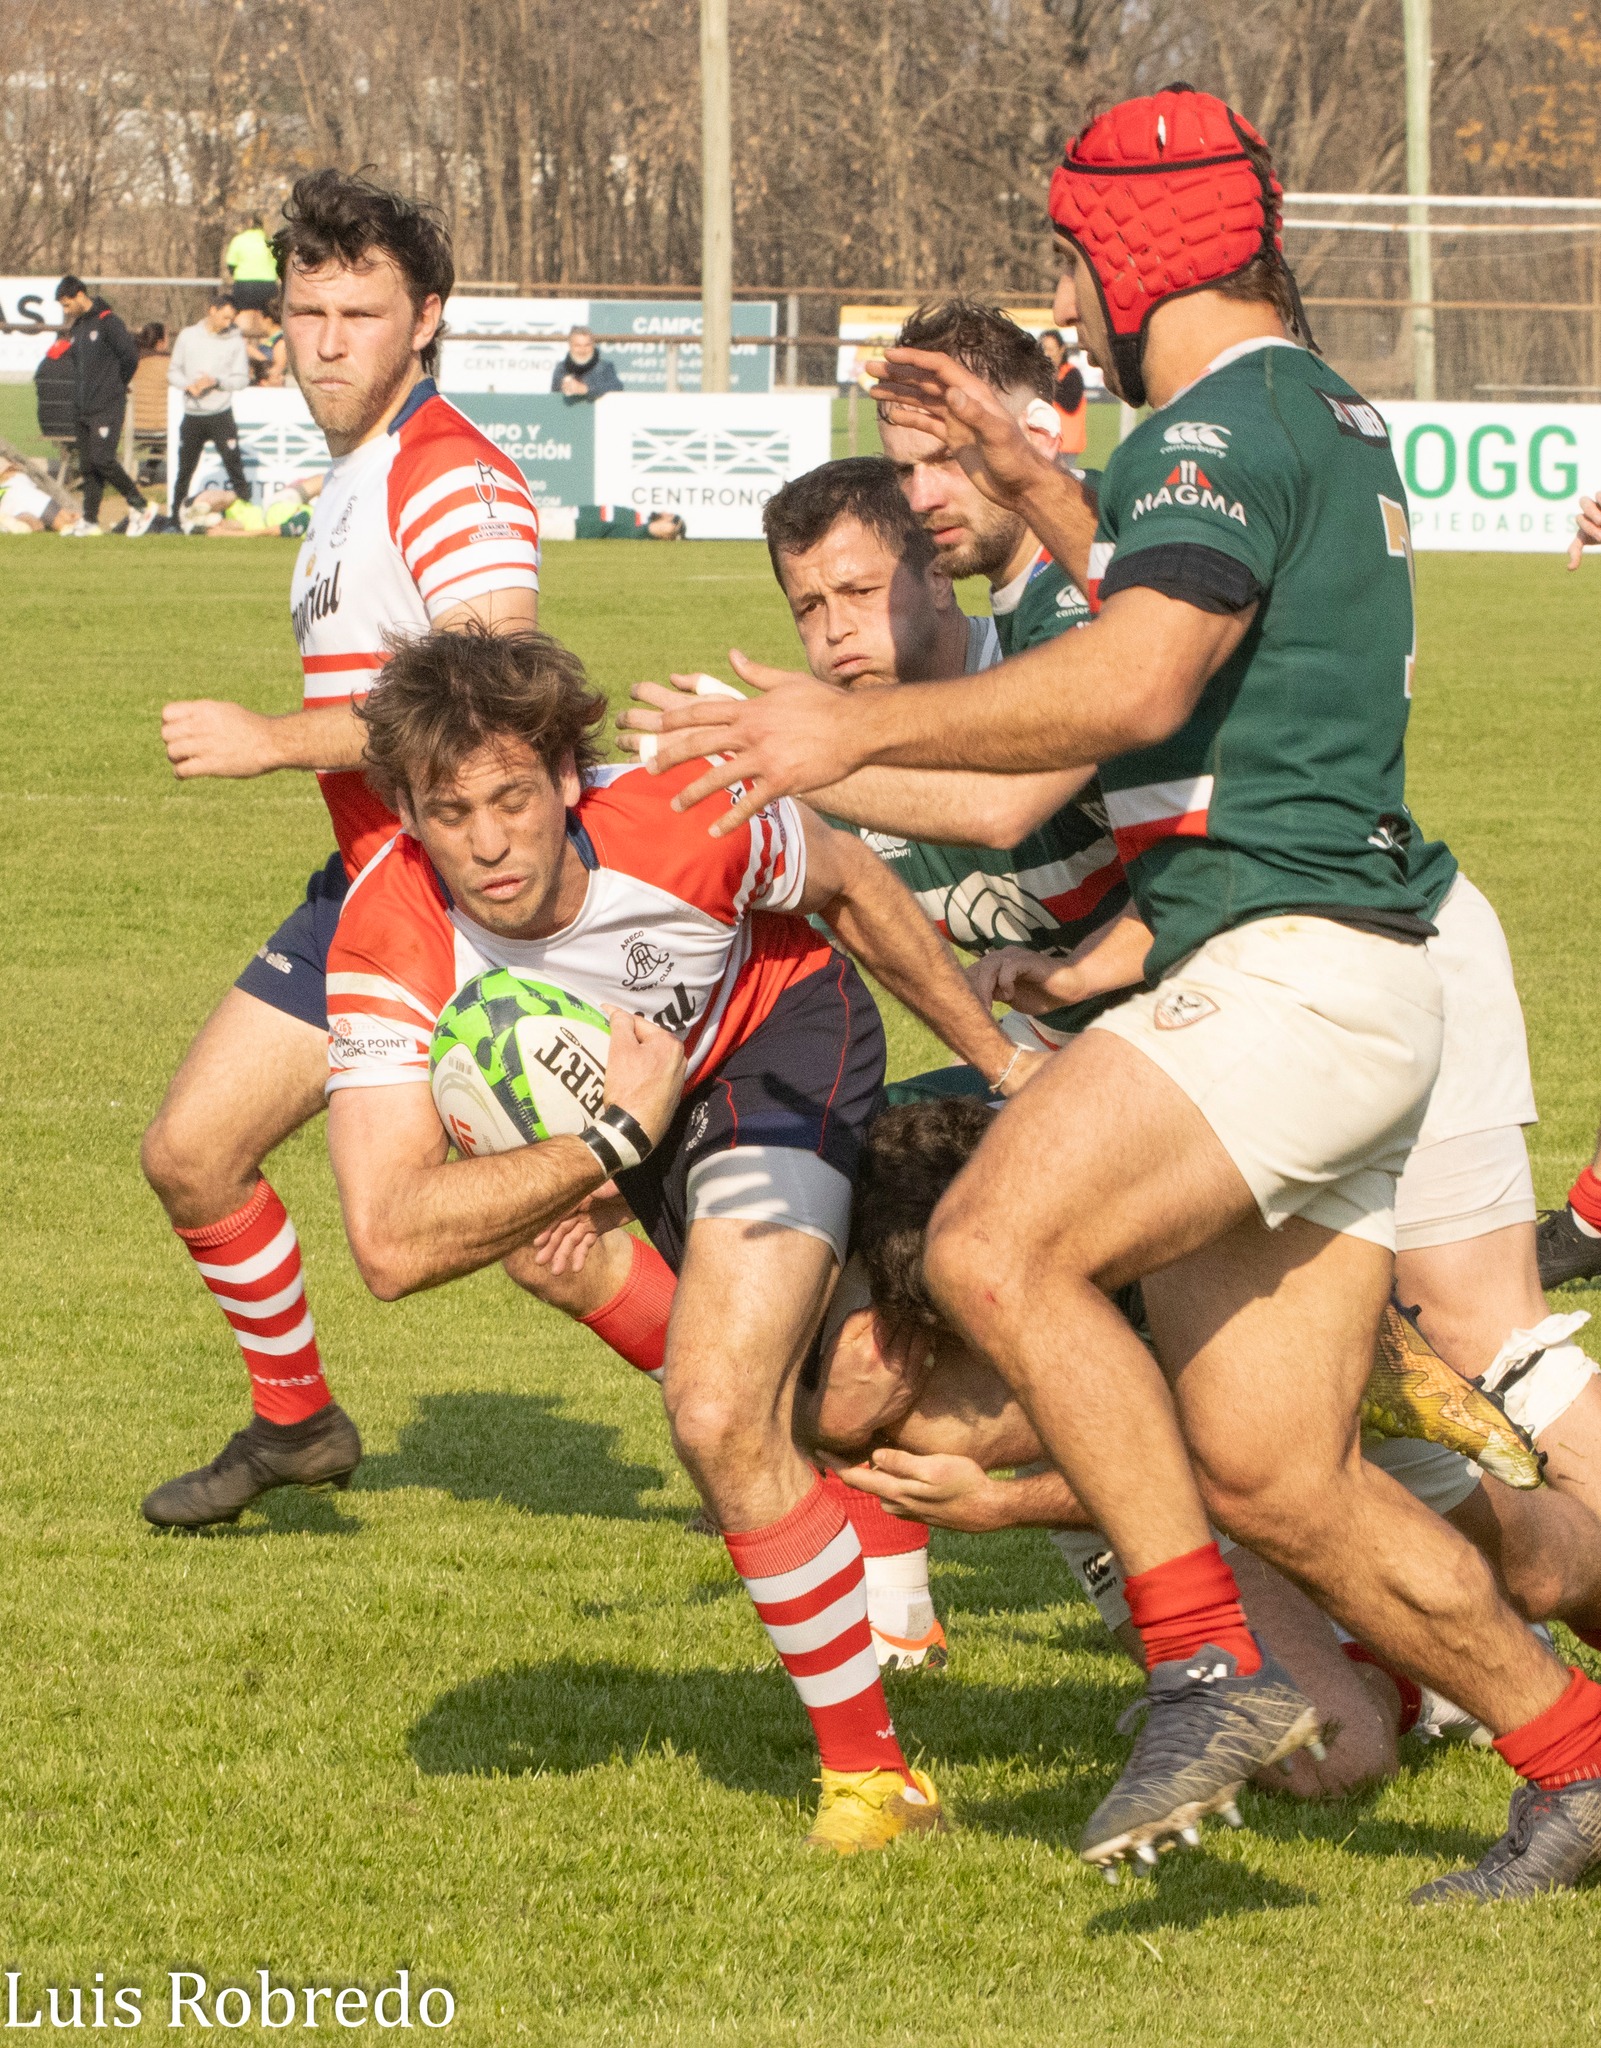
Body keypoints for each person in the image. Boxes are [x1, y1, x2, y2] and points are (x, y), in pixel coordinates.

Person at [633, 86, 1601, 1902]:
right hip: (1342, 977)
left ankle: (1203, 1664)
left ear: (1137, 251)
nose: (1068, 294)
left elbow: (1137, 680)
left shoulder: (1211, 426)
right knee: (1277, 1473)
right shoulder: (1303, 407)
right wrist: (1017, 487)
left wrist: (838, 731)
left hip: (1291, 969)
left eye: (1074, 255)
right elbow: (1133, 673)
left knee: (992, 1242)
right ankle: (1572, 1761)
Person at [320, 627, 1034, 1852]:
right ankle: (1067, 1409)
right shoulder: (384, 937)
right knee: (819, 1394)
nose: (488, 843)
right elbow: (388, 1238)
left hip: (775, 1042)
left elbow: (849, 883)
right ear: (408, 814)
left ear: (566, 776)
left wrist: (1006, 1065)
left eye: (512, 798)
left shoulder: (681, 813)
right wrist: (605, 1143)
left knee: (713, 1410)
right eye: (450, 813)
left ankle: (871, 1780)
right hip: (635, 1120)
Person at [139, 169, 541, 1531]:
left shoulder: (446, 473)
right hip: (370, 883)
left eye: (358, 314)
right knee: (194, 1152)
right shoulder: (358, 474)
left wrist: (272, 738)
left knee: (569, 1242)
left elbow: (496, 691)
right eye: (305, 313)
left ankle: (808, 1440)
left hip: (464, 898)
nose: (323, 343)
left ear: (424, 319)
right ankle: (298, 1423)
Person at [52, 276, 154, 536]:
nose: (66, 310)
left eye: (67, 304)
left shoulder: (109, 322)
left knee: (102, 459)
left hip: (107, 405)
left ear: (79, 295)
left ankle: (140, 505)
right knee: (88, 466)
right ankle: (90, 521)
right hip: (82, 407)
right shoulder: (78, 327)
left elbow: (130, 357)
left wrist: (116, 386)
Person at [166, 293, 253, 518]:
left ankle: (247, 515)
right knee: (185, 470)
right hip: (192, 414)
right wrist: (188, 386)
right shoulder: (187, 336)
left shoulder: (235, 341)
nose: (228, 323)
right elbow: (173, 372)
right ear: (212, 310)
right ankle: (176, 517)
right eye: (225, 317)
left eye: (231, 319)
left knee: (234, 466)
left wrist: (217, 382)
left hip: (220, 414)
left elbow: (241, 379)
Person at [1038, 323, 1087, 452]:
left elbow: (1070, 404)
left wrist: (1048, 382)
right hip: (1043, 446)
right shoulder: (1038, 376)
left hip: (1066, 446)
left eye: (1051, 349)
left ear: (1061, 349)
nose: (1047, 354)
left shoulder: (1072, 374)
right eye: (1044, 349)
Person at [0, 453, 74, 533]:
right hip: (20, 493)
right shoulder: (15, 476)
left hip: (14, 497)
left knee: (38, 526)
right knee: (64, 522)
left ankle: (14, 524)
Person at [225, 215, 281, 313]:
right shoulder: (269, 241)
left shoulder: (239, 240)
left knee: (243, 314)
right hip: (267, 285)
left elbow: (231, 265)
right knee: (268, 315)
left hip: (243, 285)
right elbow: (278, 264)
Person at [552, 326, 622, 401]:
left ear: (593, 345)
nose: (582, 350)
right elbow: (554, 394)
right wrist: (565, 386)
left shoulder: (605, 366)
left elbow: (617, 387)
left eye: (587, 345)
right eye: (577, 345)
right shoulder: (562, 368)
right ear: (570, 346)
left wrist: (586, 389)